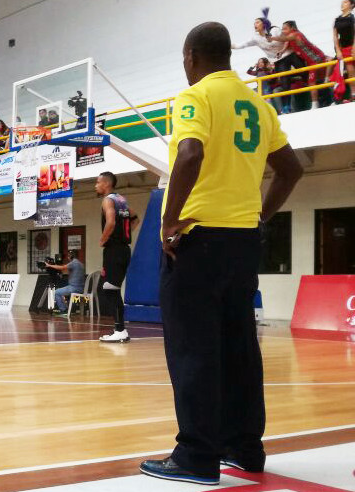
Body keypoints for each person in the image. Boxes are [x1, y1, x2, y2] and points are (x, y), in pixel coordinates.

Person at [138, 22, 303, 485]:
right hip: (243, 243)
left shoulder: (195, 97)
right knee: (239, 348)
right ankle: (245, 448)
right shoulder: (258, 103)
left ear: (191, 57)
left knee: (193, 348)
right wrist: (261, 217)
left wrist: (169, 221)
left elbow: (190, 153)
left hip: (199, 241)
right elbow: (291, 170)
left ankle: (196, 456)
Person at [96, 171, 138, 342]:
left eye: (98, 182)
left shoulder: (108, 200)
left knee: (109, 289)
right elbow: (135, 218)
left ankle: (120, 330)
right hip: (123, 249)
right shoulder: (121, 200)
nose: (96, 186)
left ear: (107, 184)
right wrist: (123, 236)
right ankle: (119, 329)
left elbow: (111, 222)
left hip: (114, 250)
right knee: (109, 288)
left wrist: (103, 239)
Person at [269, 21, 328, 110]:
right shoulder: (290, 38)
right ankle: (319, 103)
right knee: (316, 82)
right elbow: (286, 43)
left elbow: (284, 39)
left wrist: (272, 37)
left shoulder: (296, 34)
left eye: (285, 29)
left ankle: (316, 104)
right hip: (311, 62)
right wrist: (281, 51)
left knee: (314, 82)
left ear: (292, 28)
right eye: (282, 29)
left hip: (317, 59)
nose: (283, 31)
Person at [331, 0, 355, 102]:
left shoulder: (352, 18)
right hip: (344, 48)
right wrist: (338, 50)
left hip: (352, 45)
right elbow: (335, 36)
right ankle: (353, 94)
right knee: (350, 71)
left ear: (351, 5)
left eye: (345, 2)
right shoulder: (337, 20)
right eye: (342, 2)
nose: (342, 4)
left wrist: (354, 47)